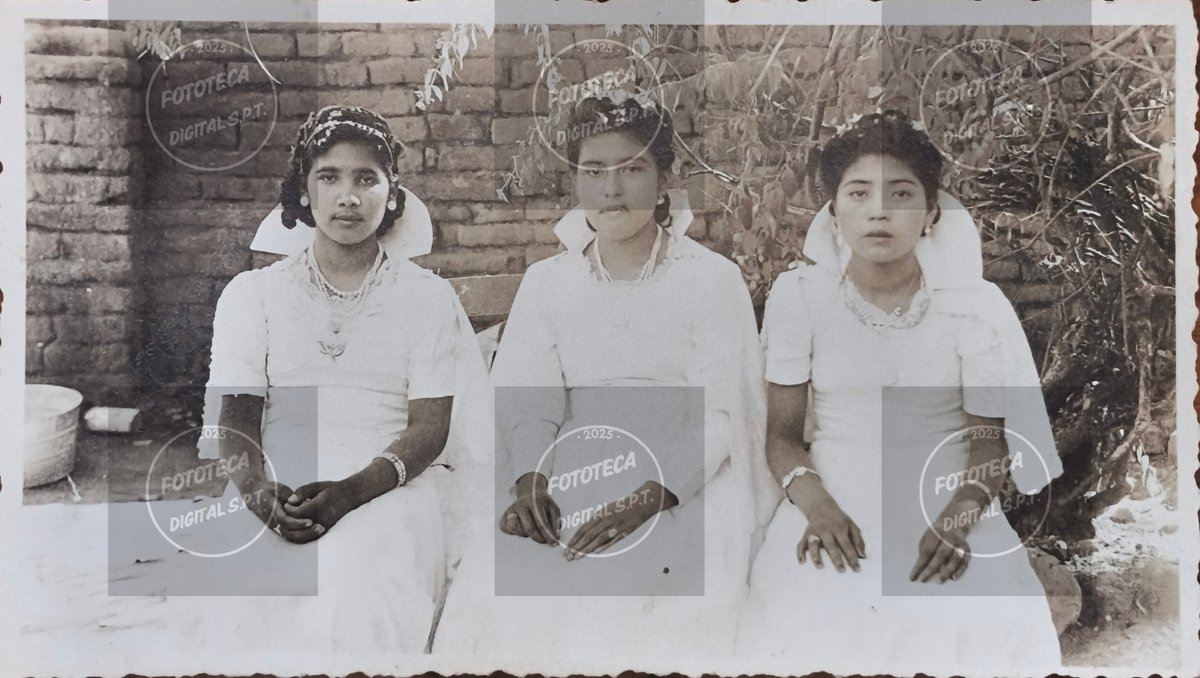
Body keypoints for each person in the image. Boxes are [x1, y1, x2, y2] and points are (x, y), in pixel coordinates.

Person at [433, 96, 772, 671]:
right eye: (594, 172)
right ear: (576, 182)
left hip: (683, 476)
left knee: (647, 595)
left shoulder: (713, 280)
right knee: (507, 590)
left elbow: (723, 416)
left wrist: (646, 497)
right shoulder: (549, 283)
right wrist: (531, 483)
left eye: (633, 169)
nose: (613, 189)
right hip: (574, 464)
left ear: (665, 178)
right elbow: (529, 400)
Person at [735, 111, 1065, 675]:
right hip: (832, 495)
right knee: (811, 608)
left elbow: (988, 443)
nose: (879, 210)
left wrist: (961, 515)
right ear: (834, 212)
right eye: (858, 193)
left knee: (977, 614)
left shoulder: (972, 305)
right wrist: (818, 508)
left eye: (902, 193)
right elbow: (783, 439)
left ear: (932, 213)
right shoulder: (800, 296)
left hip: (944, 493)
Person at [195, 105, 489, 657]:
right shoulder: (252, 295)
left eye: (366, 179)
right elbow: (234, 420)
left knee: (354, 594)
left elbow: (430, 429)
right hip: (280, 482)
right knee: (244, 608)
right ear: (303, 191)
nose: (347, 197)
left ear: (391, 193)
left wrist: (347, 495)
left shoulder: (425, 297)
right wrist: (260, 495)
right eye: (328, 177)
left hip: (387, 483)